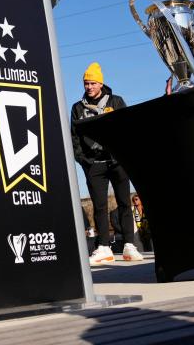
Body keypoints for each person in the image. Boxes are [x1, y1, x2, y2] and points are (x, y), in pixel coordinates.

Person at [70, 62, 142, 264]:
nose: (89, 87)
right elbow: (74, 137)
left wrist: (124, 154)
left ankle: (129, 245)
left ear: (100, 84)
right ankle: (103, 247)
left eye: (92, 83)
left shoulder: (116, 101)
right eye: (86, 83)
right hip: (94, 164)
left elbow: (128, 128)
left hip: (117, 161)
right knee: (99, 206)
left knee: (124, 203)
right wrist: (84, 161)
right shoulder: (77, 108)